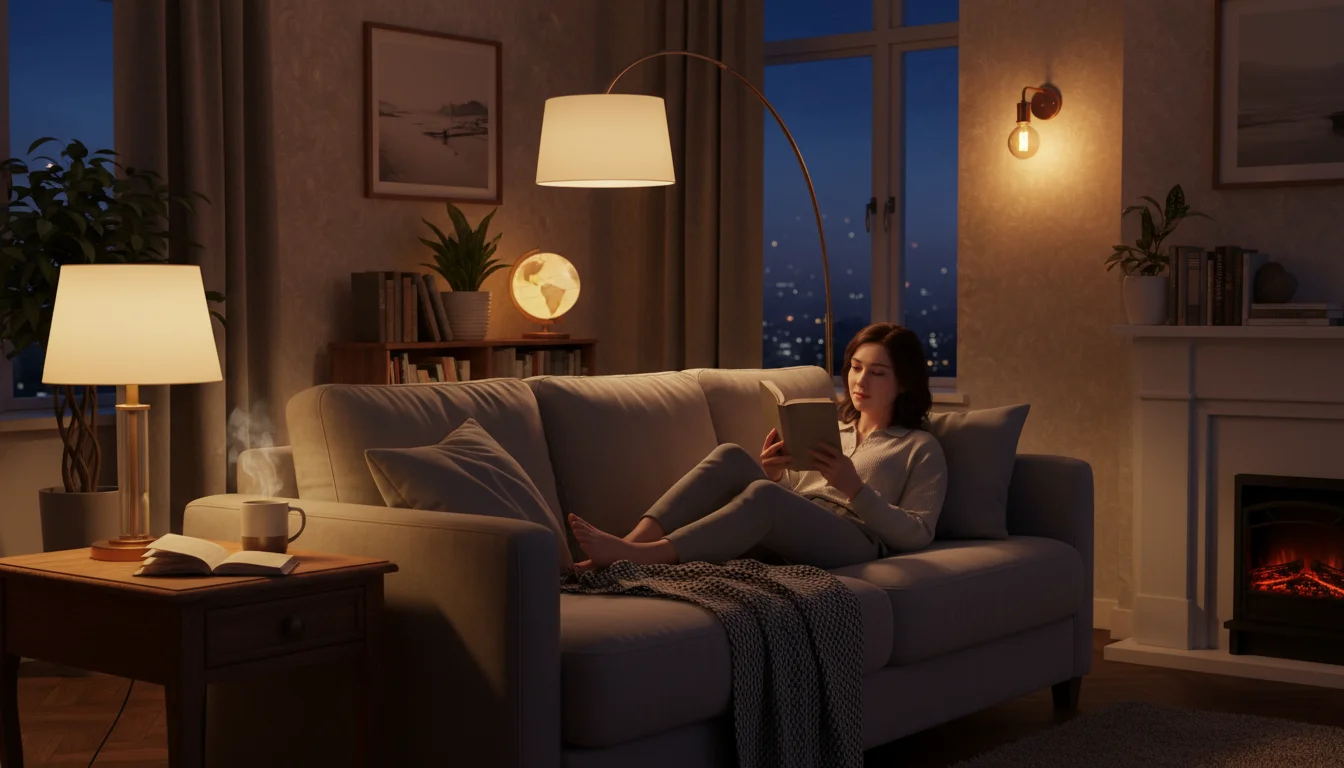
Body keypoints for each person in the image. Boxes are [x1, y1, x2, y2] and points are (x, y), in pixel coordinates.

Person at [568, 322, 949, 570]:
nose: (860, 380)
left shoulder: (919, 447)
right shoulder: (831, 431)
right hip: (802, 522)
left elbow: (918, 533)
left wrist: (856, 490)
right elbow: (791, 502)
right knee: (732, 455)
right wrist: (774, 474)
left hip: (857, 540)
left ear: (905, 383)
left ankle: (640, 557)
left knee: (766, 497)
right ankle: (628, 544)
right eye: (855, 366)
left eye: (877, 373)